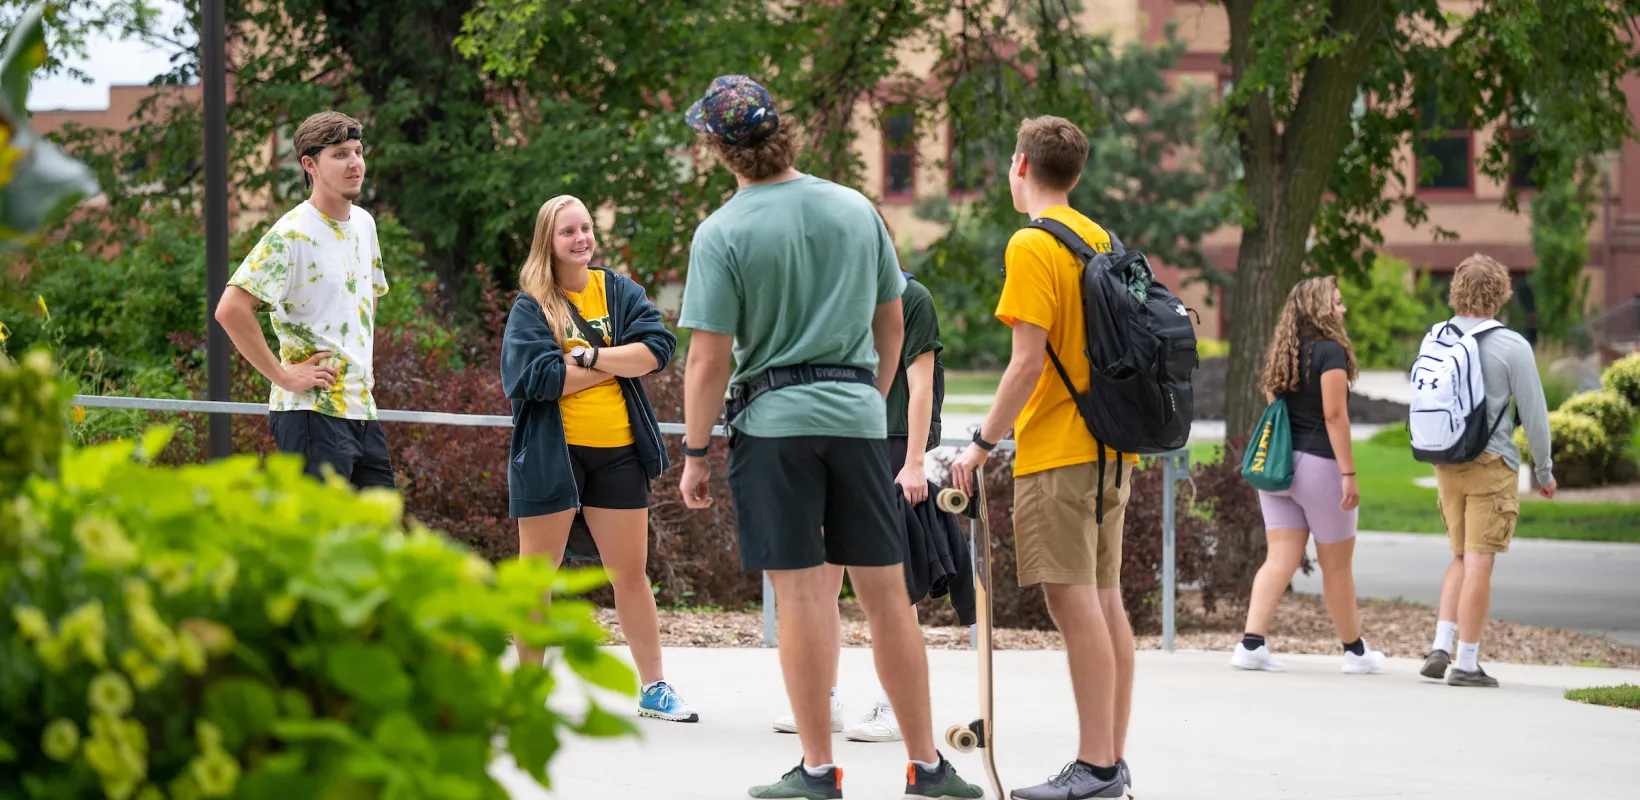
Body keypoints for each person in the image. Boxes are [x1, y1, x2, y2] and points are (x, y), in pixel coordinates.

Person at [676, 74, 982, 800]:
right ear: (780, 131)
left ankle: (818, 772)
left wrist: (692, 454)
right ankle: (928, 768)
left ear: (721, 148)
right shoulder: (855, 209)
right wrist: (863, 402)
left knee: (805, 598)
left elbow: (709, 358)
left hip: (773, 425)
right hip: (855, 421)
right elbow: (892, 324)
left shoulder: (722, 231)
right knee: (887, 599)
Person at [950, 115, 1135, 800]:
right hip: (1112, 446)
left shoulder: (1032, 243)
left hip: (1059, 447)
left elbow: (1026, 364)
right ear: (1077, 174)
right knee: (1106, 602)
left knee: (1073, 600)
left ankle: (1095, 768)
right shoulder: (1100, 238)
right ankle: (1111, 759)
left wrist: (980, 443)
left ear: (1020, 164)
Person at [499, 194, 698, 723]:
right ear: (549, 242)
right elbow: (535, 379)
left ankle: (655, 688)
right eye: (569, 231)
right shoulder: (531, 306)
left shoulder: (618, 290)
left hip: (618, 455)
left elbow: (658, 347)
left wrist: (587, 356)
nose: (582, 238)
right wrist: (616, 363)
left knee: (630, 574)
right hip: (551, 455)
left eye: (586, 227)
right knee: (535, 578)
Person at [766, 207, 946, 744]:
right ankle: (822, 698)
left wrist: (914, 462)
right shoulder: (832, 295)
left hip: (888, 445)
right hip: (834, 443)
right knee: (821, 580)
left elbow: (920, 386)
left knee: (892, 588)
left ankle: (895, 705)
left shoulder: (912, 297)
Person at [216, 110, 395, 491]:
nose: (355, 163)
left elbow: (366, 300)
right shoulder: (291, 234)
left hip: (362, 409)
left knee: (378, 538)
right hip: (311, 414)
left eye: (358, 151)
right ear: (310, 164)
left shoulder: (364, 224)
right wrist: (282, 376)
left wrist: (364, 363)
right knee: (319, 542)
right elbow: (230, 309)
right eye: (341, 154)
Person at [1230, 275, 1386, 675]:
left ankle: (1252, 644)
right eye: (1337, 302)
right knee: (1336, 566)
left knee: (1279, 558)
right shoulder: (1330, 352)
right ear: (1320, 308)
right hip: (1320, 468)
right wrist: (1348, 473)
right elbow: (1335, 416)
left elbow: (1273, 402)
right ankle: (1354, 653)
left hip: (1279, 468)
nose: (1343, 308)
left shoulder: (1284, 352)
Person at [1419, 253, 1557, 688]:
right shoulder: (1511, 346)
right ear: (1500, 293)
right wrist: (1546, 471)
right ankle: (1467, 662)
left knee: (1460, 556)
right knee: (1480, 562)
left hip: (1445, 460)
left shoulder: (1437, 337)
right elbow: (1534, 416)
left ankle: (1441, 643)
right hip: (1490, 464)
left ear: (1456, 290)